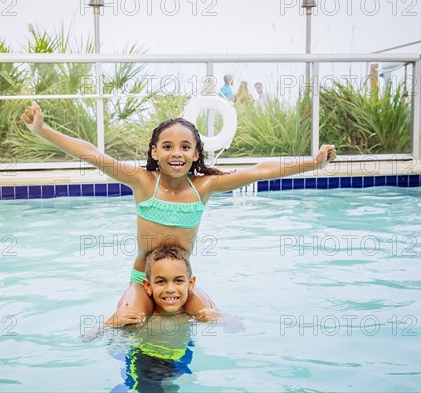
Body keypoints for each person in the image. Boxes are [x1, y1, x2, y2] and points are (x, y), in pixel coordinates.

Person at [21, 102, 337, 321]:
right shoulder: (143, 183)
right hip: (144, 280)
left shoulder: (204, 187)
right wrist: (42, 130)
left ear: (196, 153)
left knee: (212, 317)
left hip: (180, 283)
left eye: (185, 147)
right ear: (154, 151)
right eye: (168, 146)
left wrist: (312, 163)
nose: (176, 153)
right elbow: (92, 153)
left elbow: (260, 170)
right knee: (127, 319)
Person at [104, 246, 220, 327]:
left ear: (190, 284)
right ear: (148, 286)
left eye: (178, 281)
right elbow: (88, 339)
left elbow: (235, 329)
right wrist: (109, 324)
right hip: (143, 357)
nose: (170, 289)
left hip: (182, 355)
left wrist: (222, 318)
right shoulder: (145, 319)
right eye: (161, 282)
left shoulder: (192, 316)